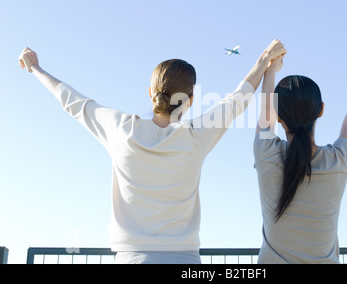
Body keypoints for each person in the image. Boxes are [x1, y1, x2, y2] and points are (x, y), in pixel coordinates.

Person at [18, 40, 286, 264]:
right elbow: (238, 99)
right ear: (190, 100)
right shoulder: (196, 135)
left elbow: (72, 101)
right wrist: (265, 62)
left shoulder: (120, 130)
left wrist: (36, 68)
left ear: (150, 93)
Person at [253, 28, 347, 263]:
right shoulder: (338, 161)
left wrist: (271, 68)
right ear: (321, 110)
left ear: (279, 116)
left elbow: (265, 113)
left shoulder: (266, 154)